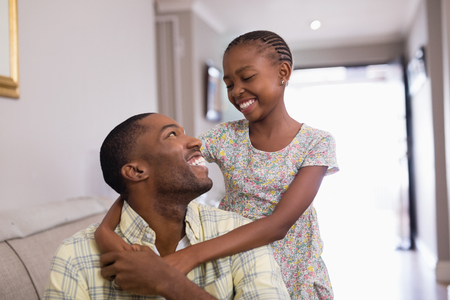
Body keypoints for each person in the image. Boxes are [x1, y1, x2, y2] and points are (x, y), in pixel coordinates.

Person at [96, 30, 339, 299]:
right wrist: (104, 230)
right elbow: (162, 169)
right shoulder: (224, 137)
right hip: (235, 260)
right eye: (229, 84)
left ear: (283, 72)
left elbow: (278, 225)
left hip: (294, 272)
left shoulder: (316, 143)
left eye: (246, 78)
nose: (237, 91)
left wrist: (187, 257)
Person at [44, 113, 290, 299]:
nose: (196, 141)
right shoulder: (74, 258)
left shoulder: (238, 233)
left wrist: (171, 283)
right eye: (172, 134)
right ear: (137, 171)